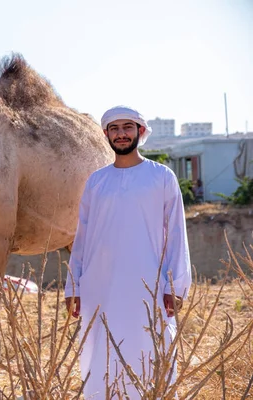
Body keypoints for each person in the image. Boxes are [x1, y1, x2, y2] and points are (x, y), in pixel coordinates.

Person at [64, 106, 192, 399]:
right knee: (101, 354)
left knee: (150, 349)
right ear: (107, 134)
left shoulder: (162, 177)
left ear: (140, 131)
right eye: (114, 128)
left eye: (127, 127)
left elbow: (176, 234)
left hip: (147, 286)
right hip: (100, 286)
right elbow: (82, 238)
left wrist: (176, 285)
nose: (121, 133)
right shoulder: (96, 181)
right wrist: (74, 285)